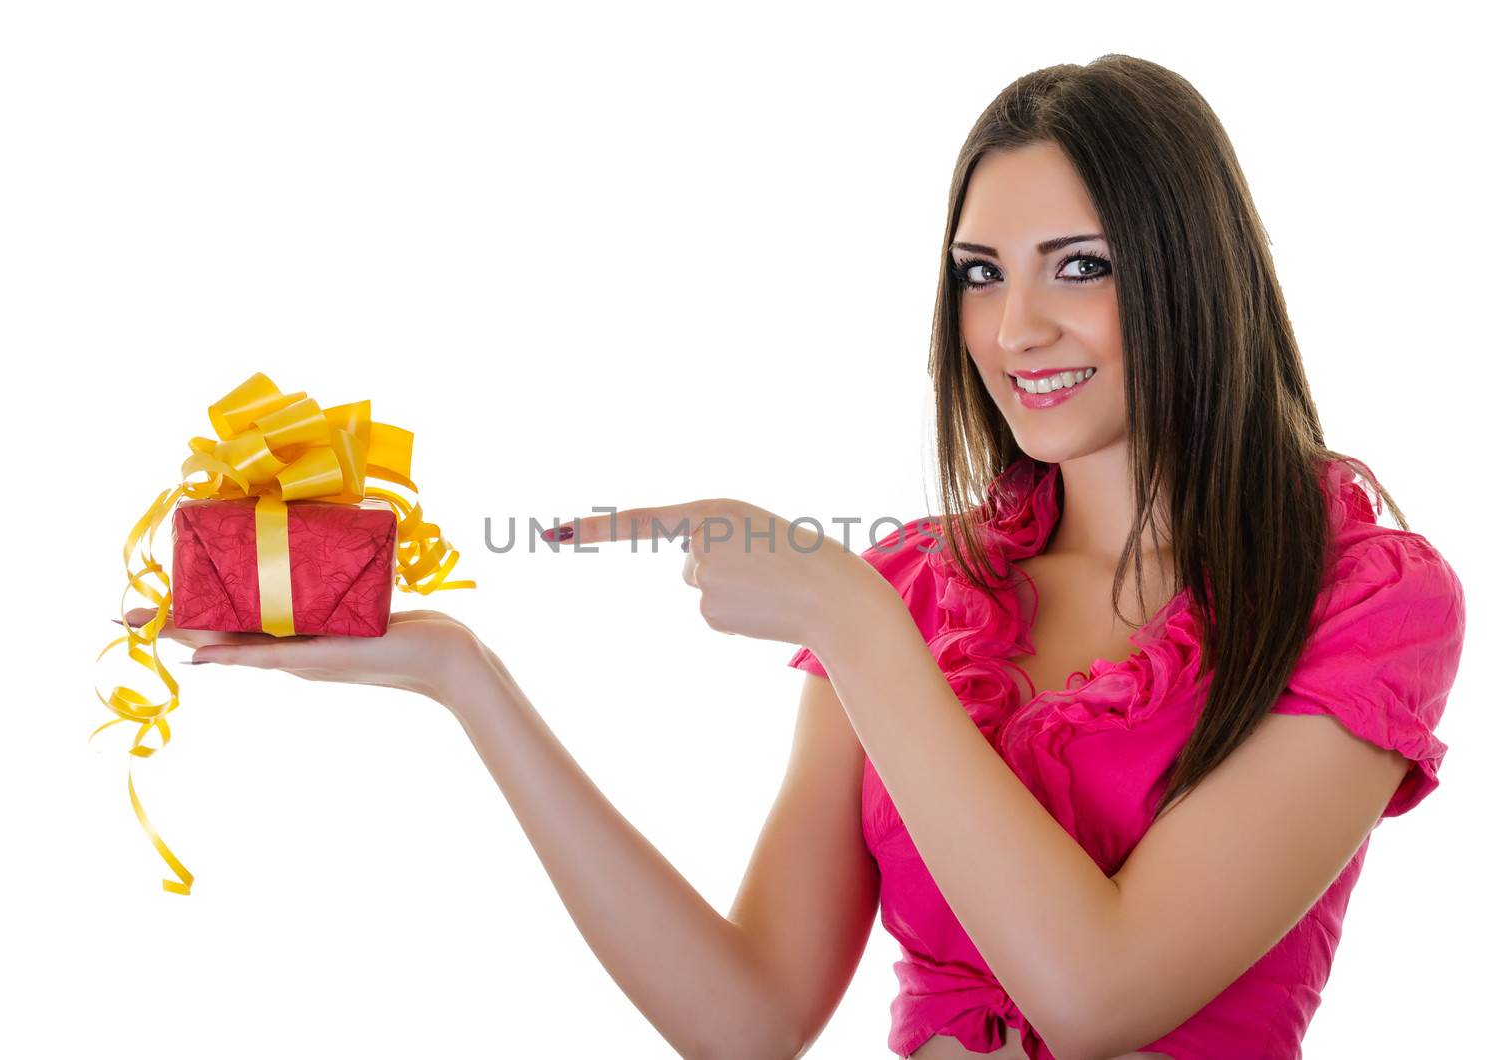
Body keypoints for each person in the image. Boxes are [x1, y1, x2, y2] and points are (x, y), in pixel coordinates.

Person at [122, 55, 1466, 1060]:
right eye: (980, 273)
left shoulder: (1365, 598)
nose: (1016, 328)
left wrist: (857, 626)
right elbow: (750, 1013)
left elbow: (1098, 994)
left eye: (1080, 266)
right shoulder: (921, 589)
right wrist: (465, 681)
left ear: (1190, 272)